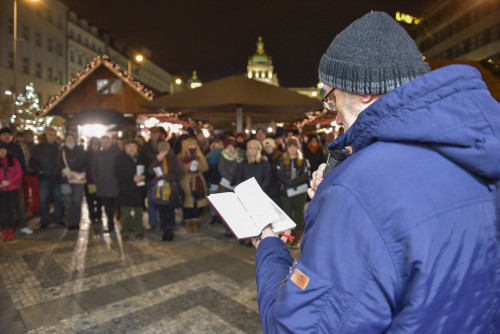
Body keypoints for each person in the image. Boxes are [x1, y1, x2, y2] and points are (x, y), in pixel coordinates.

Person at [253, 11, 500, 333]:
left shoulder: (359, 187)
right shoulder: (478, 149)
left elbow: (300, 327)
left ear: (363, 90)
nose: (334, 116)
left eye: (332, 97)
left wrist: (271, 249)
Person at [276, 137, 309, 244]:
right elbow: (279, 174)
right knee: (287, 213)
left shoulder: (302, 160)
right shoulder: (282, 161)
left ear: (297, 148)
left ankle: (297, 237)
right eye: (290, 147)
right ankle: (288, 237)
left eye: (294, 147)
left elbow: (305, 175)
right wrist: (289, 182)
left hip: (299, 191)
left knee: (298, 213)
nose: (292, 149)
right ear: (287, 148)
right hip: (286, 192)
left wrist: (294, 182)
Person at [29, 128, 64, 229]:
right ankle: (44, 220)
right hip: (44, 178)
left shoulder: (59, 148)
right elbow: (32, 162)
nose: (52, 136)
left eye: (54, 135)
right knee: (44, 200)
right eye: (50, 134)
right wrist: (40, 170)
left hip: (57, 178)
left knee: (58, 199)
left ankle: (58, 219)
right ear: (46, 135)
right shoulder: (38, 148)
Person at [148, 141, 182, 241]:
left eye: (165, 150)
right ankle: (164, 230)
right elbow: (150, 171)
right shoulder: (155, 158)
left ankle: (170, 230)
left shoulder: (173, 158)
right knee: (162, 211)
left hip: (170, 188)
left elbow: (179, 174)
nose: (163, 152)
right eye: (161, 149)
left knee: (170, 210)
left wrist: (166, 177)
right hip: (158, 189)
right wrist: (157, 161)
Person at [114, 139, 147, 240]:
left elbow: (149, 171)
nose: (132, 149)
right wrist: (132, 177)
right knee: (125, 212)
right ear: (125, 148)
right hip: (125, 188)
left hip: (139, 189)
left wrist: (144, 176)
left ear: (137, 148)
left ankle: (138, 230)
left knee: (138, 211)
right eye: (129, 146)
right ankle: (125, 232)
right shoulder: (119, 159)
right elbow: (117, 172)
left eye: (134, 146)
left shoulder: (142, 158)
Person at [179, 137, 209, 233]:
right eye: (191, 144)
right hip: (187, 181)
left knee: (196, 202)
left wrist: (199, 164)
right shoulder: (181, 156)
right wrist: (188, 166)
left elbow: (205, 168)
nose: (193, 146)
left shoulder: (199, 155)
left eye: (194, 144)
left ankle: (195, 221)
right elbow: (179, 169)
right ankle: (188, 222)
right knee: (187, 202)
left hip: (197, 180)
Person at [57, 132, 86, 230]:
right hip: (64, 180)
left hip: (78, 179)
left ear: (75, 139)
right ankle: (70, 222)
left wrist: (71, 171)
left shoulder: (80, 149)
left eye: (71, 138)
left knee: (77, 201)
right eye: (68, 138)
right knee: (68, 201)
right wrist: (67, 171)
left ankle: (77, 221)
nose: (69, 140)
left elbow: (83, 161)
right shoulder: (61, 150)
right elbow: (59, 163)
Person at [92, 135, 120, 233]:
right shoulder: (98, 154)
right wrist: (96, 179)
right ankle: (110, 225)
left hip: (115, 184)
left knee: (117, 206)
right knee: (107, 207)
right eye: (102, 142)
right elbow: (94, 168)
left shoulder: (117, 153)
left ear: (110, 142)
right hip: (103, 185)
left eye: (106, 142)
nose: (104, 144)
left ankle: (121, 225)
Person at [0, 142, 23, 241]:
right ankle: (3, 231)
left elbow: (19, 173)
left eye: (4, 149)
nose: (2, 151)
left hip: (13, 188)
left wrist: (9, 182)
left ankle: (10, 231)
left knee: (11, 210)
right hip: (1, 189)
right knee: (2, 211)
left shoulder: (13, 160)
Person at [205, 139, 223, 224]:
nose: (216, 149)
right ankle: (214, 216)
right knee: (212, 200)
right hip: (212, 180)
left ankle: (220, 217)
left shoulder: (224, 156)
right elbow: (206, 170)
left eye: (218, 146)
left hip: (220, 181)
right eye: (215, 146)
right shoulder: (208, 156)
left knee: (220, 201)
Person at [84, 137, 102, 224]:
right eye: (93, 144)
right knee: (90, 201)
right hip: (89, 181)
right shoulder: (86, 154)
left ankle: (99, 215)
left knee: (99, 201)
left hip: (100, 182)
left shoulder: (102, 154)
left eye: (96, 144)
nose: (95, 146)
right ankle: (92, 216)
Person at [261, 138, 282, 207]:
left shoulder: (279, 157)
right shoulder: (262, 159)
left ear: (273, 147)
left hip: (277, 188)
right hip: (267, 188)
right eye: (266, 147)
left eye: (270, 146)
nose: (268, 148)